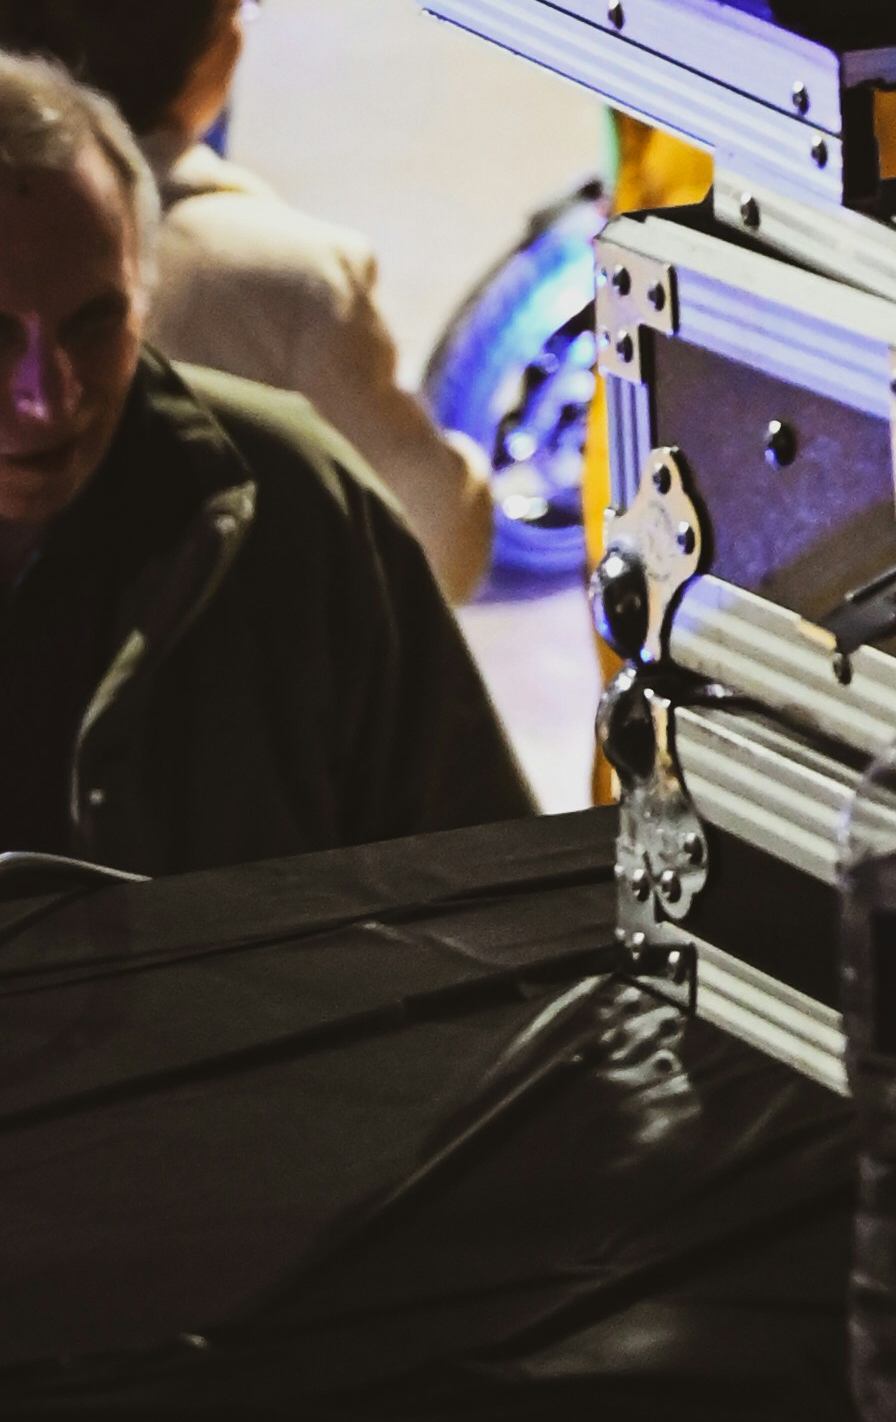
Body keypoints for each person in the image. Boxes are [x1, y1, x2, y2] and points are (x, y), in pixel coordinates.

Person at [0, 51, 525, 865]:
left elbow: (484, 875)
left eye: (95, 323)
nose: (48, 398)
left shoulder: (297, 500)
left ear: (145, 293)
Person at [0, 0, 492, 601]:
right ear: (205, 46)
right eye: (241, 4)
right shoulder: (289, 276)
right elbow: (430, 543)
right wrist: (473, 474)